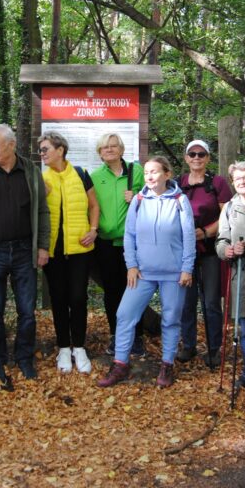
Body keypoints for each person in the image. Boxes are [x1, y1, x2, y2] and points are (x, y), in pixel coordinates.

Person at [97, 156, 195, 389]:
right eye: (147, 172)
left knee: (171, 320)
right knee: (124, 315)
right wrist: (131, 265)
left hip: (173, 273)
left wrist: (187, 268)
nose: (150, 176)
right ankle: (121, 363)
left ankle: (167, 364)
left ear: (167, 174)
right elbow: (129, 235)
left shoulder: (180, 200)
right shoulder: (139, 200)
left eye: (155, 172)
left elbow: (189, 236)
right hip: (142, 272)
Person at [0, 124, 50, 390]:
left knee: (27, 312)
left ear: (11, 145)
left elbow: (42, 211)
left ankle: (24, 359)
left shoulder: (30, 172)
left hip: (25, 250)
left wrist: (43, 246)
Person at [39, 132, 100, 374]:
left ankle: (80, 347)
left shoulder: (81, 174)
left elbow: (94, 205)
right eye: (41, 150)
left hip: (79, 249)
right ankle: (64, 346)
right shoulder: (42, 179)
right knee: (58, 298)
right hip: (53, 250)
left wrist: (94, 230)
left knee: (78, 297)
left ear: (60, 150)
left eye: (45, 149)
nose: (42, 154)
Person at [177, 139, 232, 368]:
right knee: (186, 302)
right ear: (186, 158)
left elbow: (227, 214)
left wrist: (206, 232)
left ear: (208, 158)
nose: (197, 158)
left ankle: (214, 348)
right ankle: (188, 345)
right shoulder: (178, 183)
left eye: (201, 154)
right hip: (184, 253)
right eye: (193, 154)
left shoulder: (217, 183)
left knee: (210, 302)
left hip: (209, 250)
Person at [90, 133, 146, 356]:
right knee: (112, 292)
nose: (109, 150)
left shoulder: (136, 171)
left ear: (122, 150)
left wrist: (138, 197)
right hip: (105, 244)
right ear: (100, 153)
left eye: (114, 146)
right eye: (104, 147)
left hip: (132, 243)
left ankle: (137, 338)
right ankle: (116, 336)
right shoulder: (94, 176)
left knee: (135, 291)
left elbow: (152, 197)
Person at [215, 161, 245, 388]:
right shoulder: (230, 207)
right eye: (238, 179)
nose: (242, 182)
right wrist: (227, 250)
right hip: (241, 274)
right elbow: (222, 239)